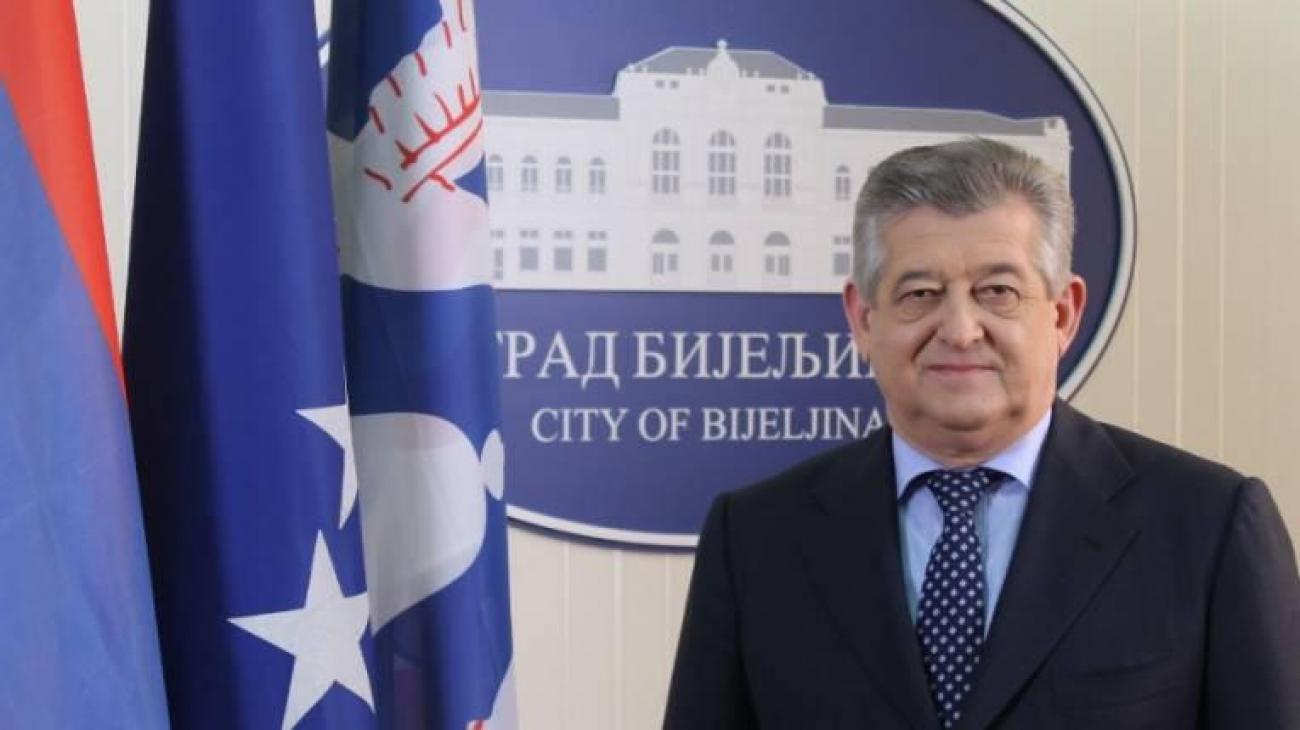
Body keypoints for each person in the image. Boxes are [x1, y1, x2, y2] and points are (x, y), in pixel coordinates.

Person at [664, 138, 1300, 729]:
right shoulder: (755, 538)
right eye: (920, 293)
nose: (961, 330)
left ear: (1064, 313)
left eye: (998, 291)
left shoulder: (1209, 526)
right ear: (862, 319)